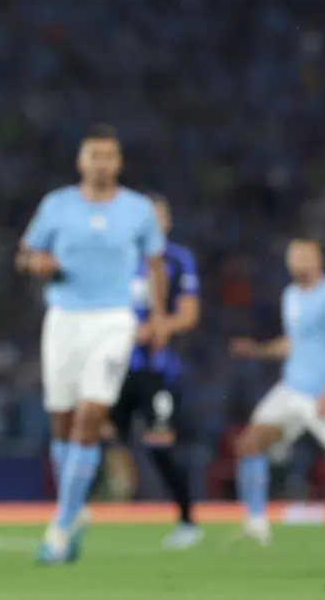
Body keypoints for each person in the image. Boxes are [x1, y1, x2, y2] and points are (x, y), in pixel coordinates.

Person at [16, 124, 168, 564]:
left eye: (108, 156)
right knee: (62, 422)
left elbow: (155, 264)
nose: (101, 163)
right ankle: (75, 508)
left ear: (118, 162)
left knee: (90, 415)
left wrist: (158, 317)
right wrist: (37, 264)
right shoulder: (57, 205)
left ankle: (60, 526)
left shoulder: (138, 210)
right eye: (94, 155)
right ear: (81, 161)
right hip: (64, 319)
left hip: (114, 319)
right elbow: (25, 255)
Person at [229, 237, 325, 545]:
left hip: (323, 394)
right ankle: (255, 523)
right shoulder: (290, 295)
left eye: (304, 256)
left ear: (319, 260)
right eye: (293, 256)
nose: (297, 262)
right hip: (291, 389)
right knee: (249, 443)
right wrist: (257, 350)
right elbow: (294, 342)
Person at [107, 193, 201, 549]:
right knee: (100, 437)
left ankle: (187, 521)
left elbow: (189, 314)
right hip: (115, 366)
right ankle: (90, 509)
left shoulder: (178, 259)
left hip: (157, 369)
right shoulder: (118, 258)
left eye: (156, 218)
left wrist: (161, 326)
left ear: (167, 222)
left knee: (160, 444)